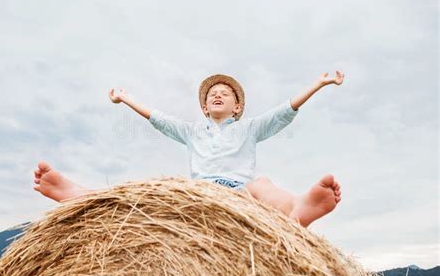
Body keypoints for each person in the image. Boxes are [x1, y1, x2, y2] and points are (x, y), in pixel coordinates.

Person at [33, 72, 344, 227]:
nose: (218, 95)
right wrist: (125, 99)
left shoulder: (250, 128)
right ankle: (85, 198)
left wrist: (319, 84)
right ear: (205, 108)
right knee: (156, 188)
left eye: (225, 94)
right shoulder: (192, 131)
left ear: (238, 108)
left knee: (262, 184)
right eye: (212, 95)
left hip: (241, 194)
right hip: (198, 193)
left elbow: (283, 112)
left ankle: (295, 209)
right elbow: (158, 119)